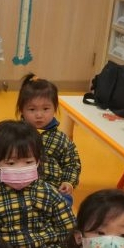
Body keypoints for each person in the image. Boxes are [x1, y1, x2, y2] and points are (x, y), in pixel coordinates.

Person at [16, 73, 80, 204]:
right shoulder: (14, 135)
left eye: (46, 109)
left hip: (51, 191)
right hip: (18, 188)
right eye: (32, 109)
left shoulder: (61, 139)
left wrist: (68, 182)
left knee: (65, 201)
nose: (39, 115)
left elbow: (72, 164)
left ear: (55, 108)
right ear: (21, 110)